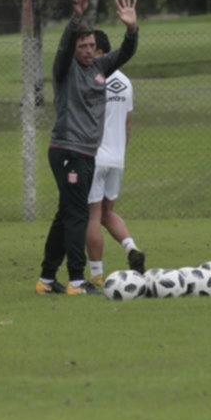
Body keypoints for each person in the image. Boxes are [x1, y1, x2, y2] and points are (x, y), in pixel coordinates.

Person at [36, 0, 139, 296]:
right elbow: (66, 45)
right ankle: (78, 280)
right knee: (79, 213)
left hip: (86, 154)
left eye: (92, 45)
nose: (88, 50)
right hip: (67, 150)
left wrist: (132, 28)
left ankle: (46, 278)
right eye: (83, 45)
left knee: (66, 212)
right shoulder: (65, 69)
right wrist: (75, 17)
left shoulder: (100, 67)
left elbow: (126, 52)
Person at [85, 29, 144, 288]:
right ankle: (131, 247)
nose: (87, 54)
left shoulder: (94, 78)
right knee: (109, 213)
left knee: (93, 216)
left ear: (101, 52)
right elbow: (128, 124)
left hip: (95, 156)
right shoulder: (127, 82)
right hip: (117, 158)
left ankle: (96, 275)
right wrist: (121, 151)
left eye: (91, 49)